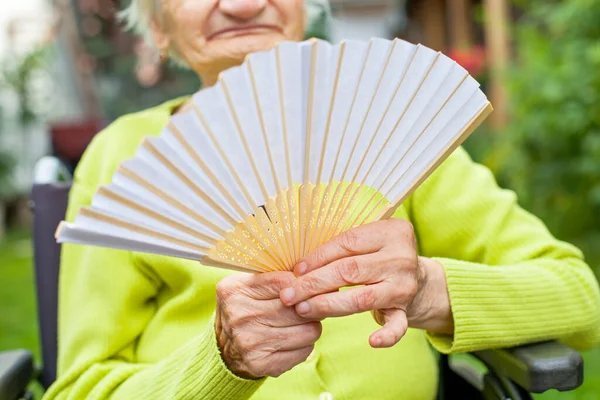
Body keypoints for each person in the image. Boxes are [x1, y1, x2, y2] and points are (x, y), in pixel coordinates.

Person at [44, 1, 600, 399]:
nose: (241, 5)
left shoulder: (395, 129)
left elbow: (578, 299)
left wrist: (430, 290)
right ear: (156, 27)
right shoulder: (124, 157)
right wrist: (219, 364)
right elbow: (81, 388)